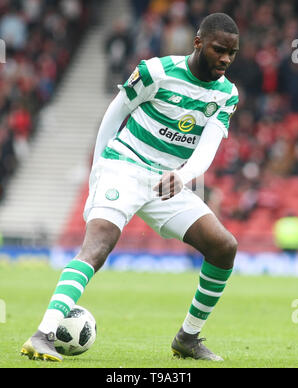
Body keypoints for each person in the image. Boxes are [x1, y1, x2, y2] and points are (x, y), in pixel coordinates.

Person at [21, 12, 239, 362]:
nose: (226, 59)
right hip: (124, 166)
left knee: (224, 247)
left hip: (167, 180)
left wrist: (183, 176)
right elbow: (115, 111)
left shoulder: (227, 94)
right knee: (98, 247)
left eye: (232, 52)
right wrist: (98, 169)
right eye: (218, 50)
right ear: (198, 43)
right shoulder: (157, 71)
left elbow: (208, 148)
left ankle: (188, 338)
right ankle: (42, 334)